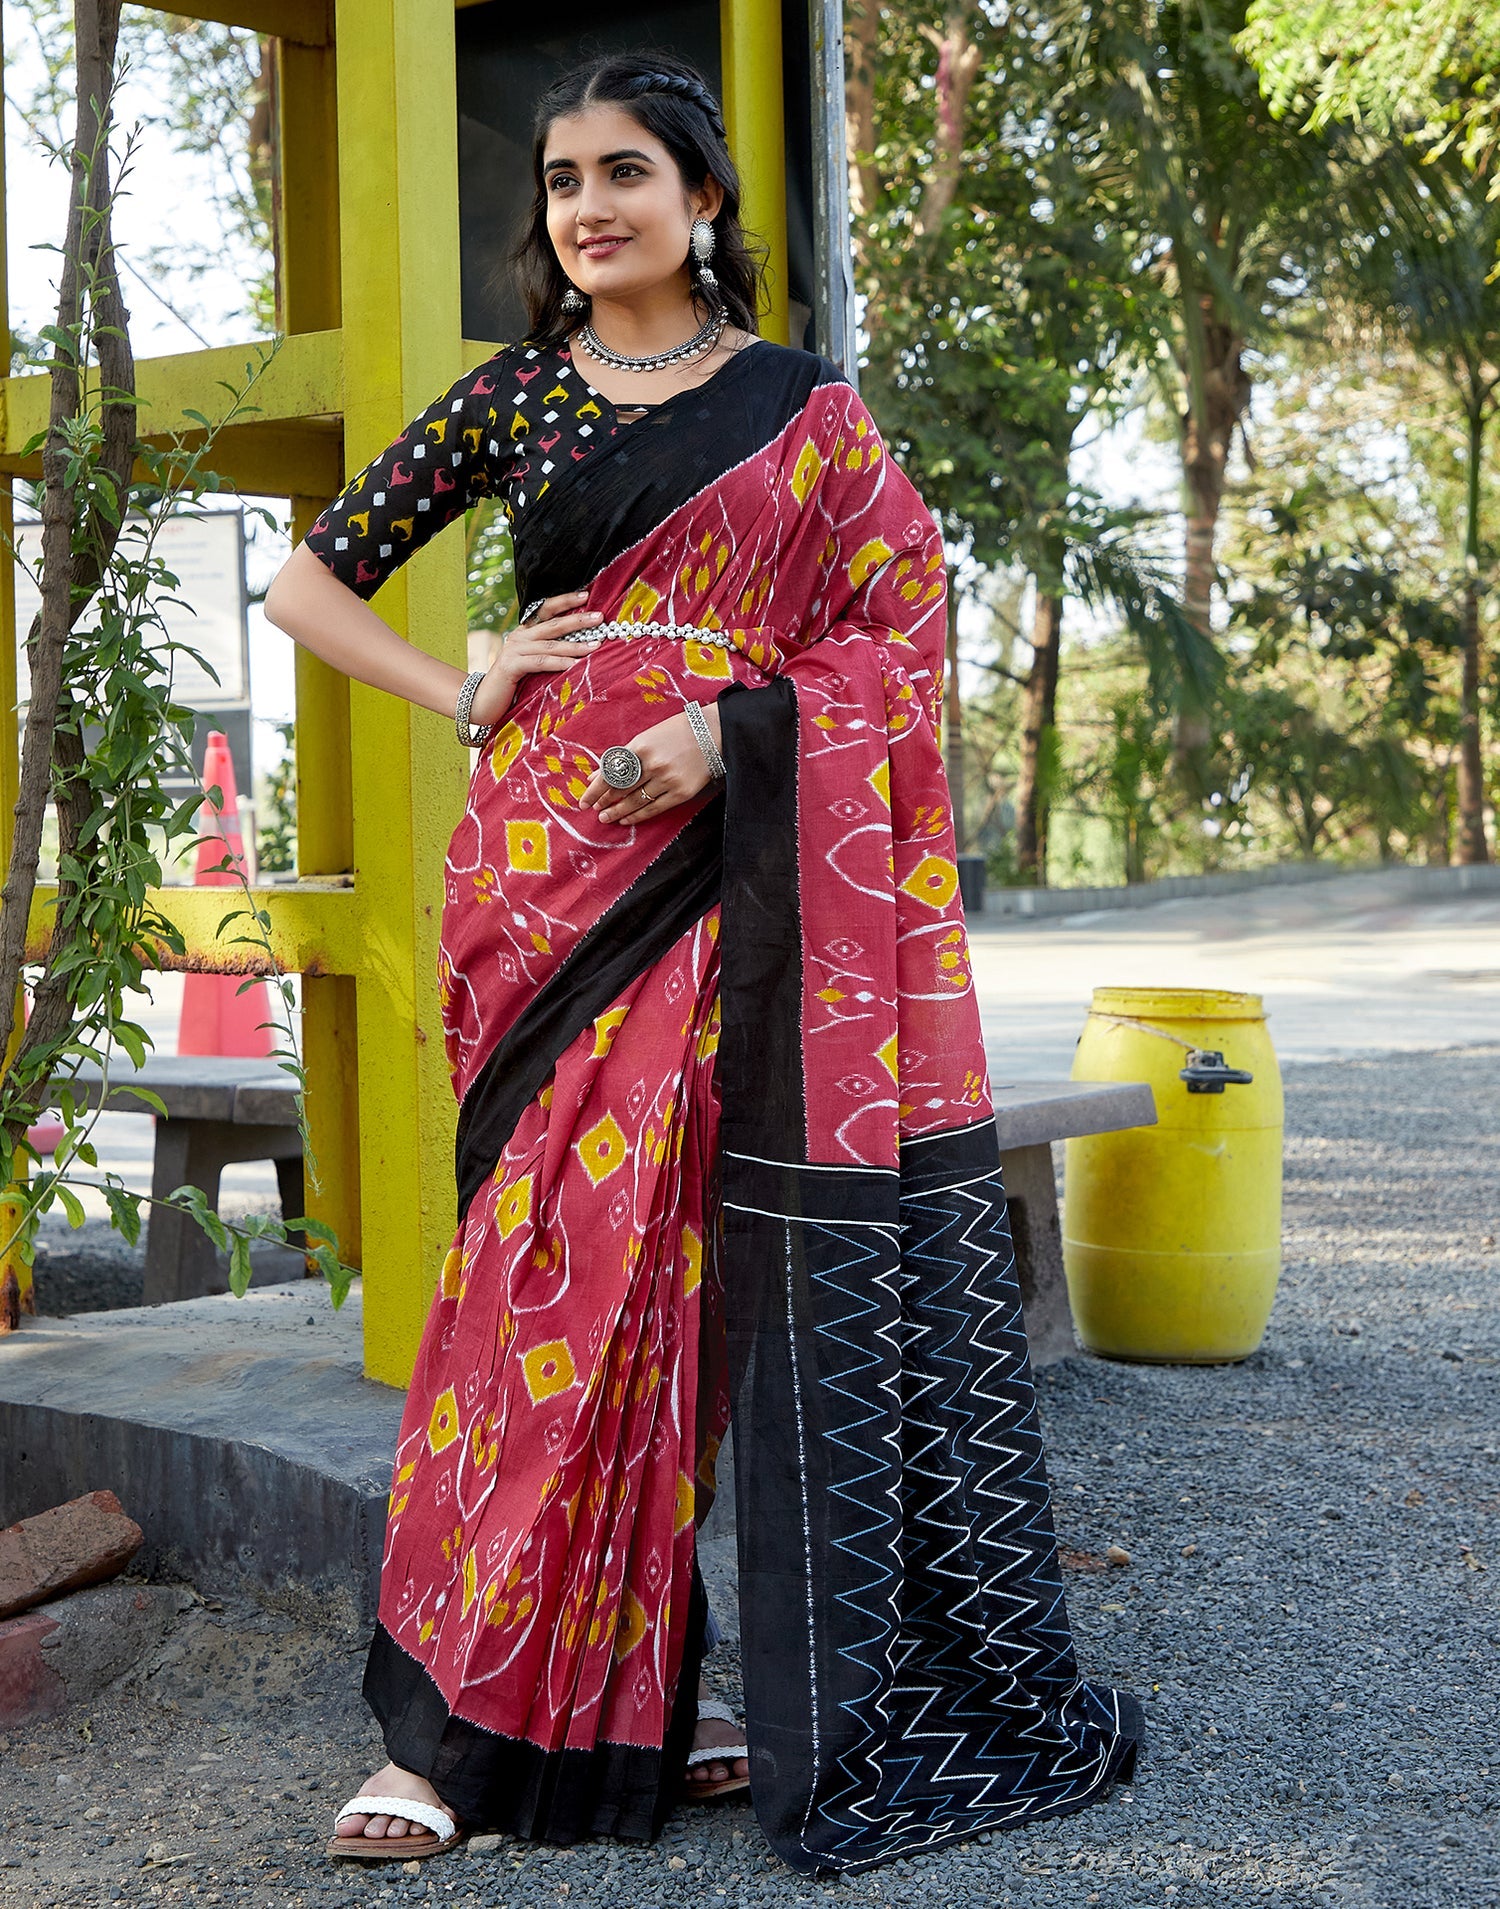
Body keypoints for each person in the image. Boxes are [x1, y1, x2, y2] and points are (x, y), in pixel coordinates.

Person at [264, 49, 1143, 1878]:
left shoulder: (803, 411)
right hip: (547, 882)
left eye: (627, 174)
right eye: (565, 182)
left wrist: (734, 724)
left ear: (706, 201)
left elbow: (905, 626)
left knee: (673, 1292)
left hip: (729, 867)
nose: (587, 207)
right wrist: (468, 680)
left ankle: (635, 1693)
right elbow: (308, 582)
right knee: (528, 1280)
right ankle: (444, 1723)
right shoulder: (514, 399)